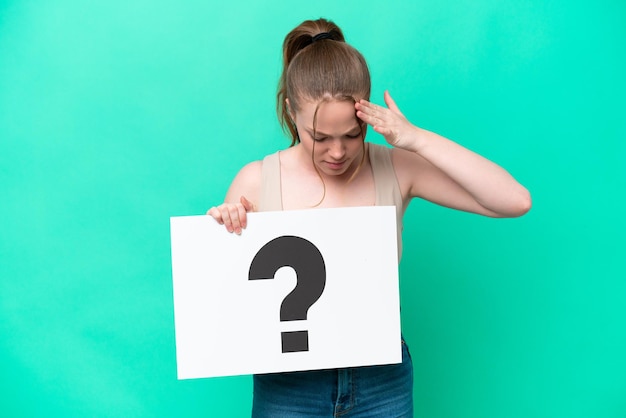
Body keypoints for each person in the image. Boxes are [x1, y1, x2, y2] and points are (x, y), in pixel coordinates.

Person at [207, 17, 531, 418]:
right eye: (319, 138)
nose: (338, 152)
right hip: (289, 385)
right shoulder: (256, 180)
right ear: (291, 113)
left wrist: (415, 138)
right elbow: (230, 312)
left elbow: (514, 200)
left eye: (352, 133)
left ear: (367, 114)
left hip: (381, 380)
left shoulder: (396, 168)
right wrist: (229, 227)